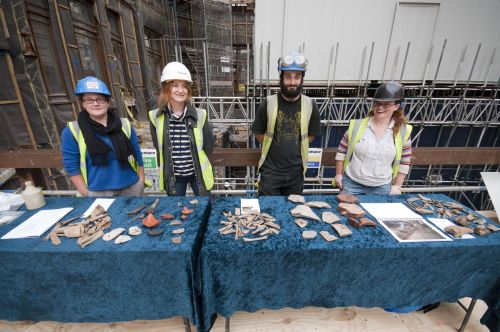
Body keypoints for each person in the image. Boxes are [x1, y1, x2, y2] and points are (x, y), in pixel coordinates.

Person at [251, 51, 321, 196]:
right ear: (281, 78)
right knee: (268, 212)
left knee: (293, 213)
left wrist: (293, 146)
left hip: (296, 174)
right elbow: (259, 133)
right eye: (288, 77)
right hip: (270, 173)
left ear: (302, 79)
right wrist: (276, 147)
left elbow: (311, 135)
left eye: (297, 77)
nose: (292, 82)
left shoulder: (310, 105)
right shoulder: (268, 103)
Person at [61, 76, 145, 196]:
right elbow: (71, 165)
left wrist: (141, 180)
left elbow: (137, 153)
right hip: (97, 192)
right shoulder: (73, 131)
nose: (95, 104)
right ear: (83, 103)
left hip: (131, 187)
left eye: (100, 99)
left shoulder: (124, 124)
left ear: (107, 101)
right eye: (89, 100)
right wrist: (85, 192)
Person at [333, 81, 412, 195]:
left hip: (382, 187)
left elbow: (405, 162)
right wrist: (339, 174)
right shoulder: (357, 126)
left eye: (386, 104)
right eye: (377, 103)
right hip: (352, 184)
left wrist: (397, 186)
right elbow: (341, 152)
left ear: (396, 106)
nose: (380, 107)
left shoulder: (403, 131)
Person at [149, 62, 215, 196]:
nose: (181, 90)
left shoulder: (200, 115)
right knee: (177, 210)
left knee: (205, 206)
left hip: (198, 174)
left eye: (185, 86)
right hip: (175, 176)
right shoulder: (156, 116)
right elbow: (159, 146)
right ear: (167, 88)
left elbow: (208, 144)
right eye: (175, 85)